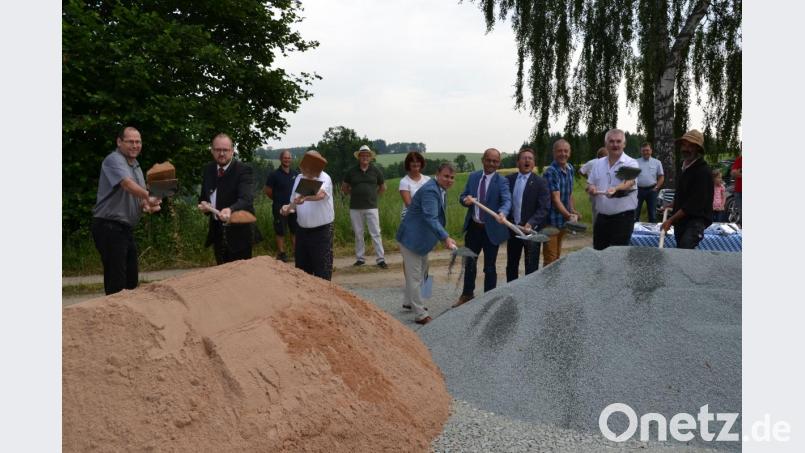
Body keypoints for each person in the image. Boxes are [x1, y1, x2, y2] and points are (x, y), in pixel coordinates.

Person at [91, 126, 162, 295]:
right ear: (119, 142)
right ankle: (112, 319)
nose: (135, 145)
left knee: (131, 280)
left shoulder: (136, 165)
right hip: (108, 226)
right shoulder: (114, 159)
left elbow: (138, 196)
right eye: (130, 141)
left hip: (125, 229)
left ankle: (125, 320)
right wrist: (148, 196)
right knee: (117, 282)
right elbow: (127, 184)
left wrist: (147, 205)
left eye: (138, 142)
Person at [396, 163, 458, 324]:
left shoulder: (439, 189)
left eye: (452, 177)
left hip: (422, 239)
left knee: (423, 273)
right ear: (437, 174)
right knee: (416, 275)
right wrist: (445, 237)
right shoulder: (431, 191)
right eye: (446, 176)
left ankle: (409, 302)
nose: (449, 180)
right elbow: (431, 217)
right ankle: (420, 314)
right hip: (411, 239)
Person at [453, 148, 511, 307]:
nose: (492, 163)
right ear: (483, 160)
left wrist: (503, 212)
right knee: (470, 263)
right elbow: (463, 196)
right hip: (474, 228)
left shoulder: (502, 181)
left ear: (499, 163)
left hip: (491, 229)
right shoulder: (473, 177)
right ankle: (467, 295)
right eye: (489, 160)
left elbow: (506, 201)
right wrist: (465, 200)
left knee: (490, 267)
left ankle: (488, 300)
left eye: (495, 161)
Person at [198, 133, 258, 265]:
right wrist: (204, 206)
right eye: (218, 150)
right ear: (212, 151)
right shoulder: (208, 170)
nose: (221, 153)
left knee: (240, 277)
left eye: (225, 150)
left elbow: (246, 199)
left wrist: (230, 209)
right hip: (217, 232)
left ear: (232, 151)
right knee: (221, 273)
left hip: (240, 232)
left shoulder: (243, 170)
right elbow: (204, 197)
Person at [281, 150, 335, 280]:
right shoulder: (299, 178)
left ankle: (324, 299)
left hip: (322, 232)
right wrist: (287, 209)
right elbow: (294, 201)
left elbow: (321, 195)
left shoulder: (324, 178)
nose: (307, 168)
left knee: (322, 271)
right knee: (302, 271)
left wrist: (306, 198)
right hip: (302, 231)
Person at [586, 128, 640, 250]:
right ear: (606, 144)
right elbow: (590, 184)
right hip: (601, 218)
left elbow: (629, 182)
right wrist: (592, 188)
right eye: (611, 141)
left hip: (623, 219)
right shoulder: (598, 164)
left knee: (618, 257)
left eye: (618, 141)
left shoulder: (631, 163)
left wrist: (615, 189)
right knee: (599, 253)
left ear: (624, 144)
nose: (615, 144)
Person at [661, 129, 714, 249]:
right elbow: (683, 195)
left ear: (697, 149)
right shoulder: (683, 167)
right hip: (682, 220)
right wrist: (671, 205)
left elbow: (693, 204)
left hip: (696, 221)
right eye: (684, 145)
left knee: (684, 251)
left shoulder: (703, 172)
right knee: (681, 251)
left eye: (691, 146)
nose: (686, 149)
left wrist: (670, 220)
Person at [505, 148, 550, 282]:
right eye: (524, 158)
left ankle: (529, 295)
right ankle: (510, 291)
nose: (527, 160)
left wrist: (532, 222)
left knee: (531, 266)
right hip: (513, 229)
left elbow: (544, 207)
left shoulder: (540, 182)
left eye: (530, 158)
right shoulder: (509, 180)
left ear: (534, 163)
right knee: (512, 264)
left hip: (531, 230)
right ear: (518, 162)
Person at [341, 144, 388, 269]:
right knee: (358, 233)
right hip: (355, 207)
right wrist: (353, 194)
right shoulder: (351, 171)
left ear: (370, 157)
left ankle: (380, 259)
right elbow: (344, 187)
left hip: (371, 206)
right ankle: (360, 259)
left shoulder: (376, 170)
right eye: (363, 155)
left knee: (376, 233)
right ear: (359, 157)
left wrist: (374, 196)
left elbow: (383, 187)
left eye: (367, 155)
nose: (365, 157)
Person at [542, 139, 580, 265]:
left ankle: (554, 283)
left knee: (557, 256)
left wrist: (572, 209)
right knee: (550, 258)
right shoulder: (551, 172)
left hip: (562, 220)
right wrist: (569, 216)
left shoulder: (570, 168)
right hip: (551, 221)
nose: (563, 154)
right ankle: (547, 284)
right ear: (554, 153)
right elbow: (555, 199)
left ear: (570, 153)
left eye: (566, 151)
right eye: (559, 151)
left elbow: (569, 194)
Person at [264, 150, 299, 262]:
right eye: (285, 158)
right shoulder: (274, 174)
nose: (287, 160)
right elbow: (268, 191)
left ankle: (296, 252)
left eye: (289, 158)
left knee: (295, 230)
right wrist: (278, 199)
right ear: (281, 159)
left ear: (291, 159)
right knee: (280, 230)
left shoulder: (295, 174)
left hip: (293, 206)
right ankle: (281, 253)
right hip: (279, 207)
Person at [634, 142, 665, 222]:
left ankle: (652, 233)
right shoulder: (635, 162)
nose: (645, 152)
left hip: (652, 190)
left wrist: (657, 187)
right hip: (638, 190)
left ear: (651, 151)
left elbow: (661, 177)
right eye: (643, 151)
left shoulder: (657, 162)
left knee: (653, 215)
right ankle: (633, 232)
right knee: (635, 213)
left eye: (647, 150)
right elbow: (632, 176)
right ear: (641, 151)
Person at [579, 147, 608, 225]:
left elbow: (581, 171)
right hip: (594, 191)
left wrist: (588, 178)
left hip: (604, 191)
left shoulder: (608, 163)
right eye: (607, 155)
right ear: (602, 156)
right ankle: (597, 229)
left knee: (598, 211)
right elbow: (581, 171)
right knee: (597, 211)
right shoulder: (593, 163)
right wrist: (589, 179)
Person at [398, 151, 430, 220]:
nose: (416, 166)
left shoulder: (428, 180)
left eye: (418, 163)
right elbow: (409, 204)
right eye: (413, 163)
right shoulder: (404, 182)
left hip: (427, 214)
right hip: (410, 215)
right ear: (408, 164)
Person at [730, 152, 742, 220]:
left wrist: (739, 172)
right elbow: (733, 173)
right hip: (739, 191)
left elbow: (735, 173)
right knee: (741, 213)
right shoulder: (739, 160)